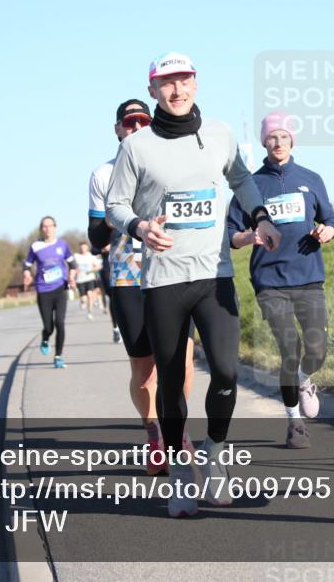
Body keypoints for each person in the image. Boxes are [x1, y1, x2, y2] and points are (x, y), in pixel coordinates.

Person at [106, 52, 281, 517]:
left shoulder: (219, 134)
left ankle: (215, 455)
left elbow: (242, 180)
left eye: (184, 80)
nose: (177, 89)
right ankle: (181, 475)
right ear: (153, 90)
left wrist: (261, 216)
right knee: (170, 385)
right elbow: (115, 206)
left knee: (225, 371)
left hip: (214, 276)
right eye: (167, 83)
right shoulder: (136, 147)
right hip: (163, 281)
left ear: (196, 84)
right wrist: (140, 227)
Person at [88, 98, 197, 475]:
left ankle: (177, 430)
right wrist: (118, 212)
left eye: (142, 122)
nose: (136, 129)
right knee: (145, 370)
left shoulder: (170, 165)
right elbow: (95, 237)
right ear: (118, 130)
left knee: (183, 361)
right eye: (129, 123)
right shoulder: (103, 174)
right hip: (128, 277)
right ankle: (154, 434)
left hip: (173, 272)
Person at [228, 111, 334, 449]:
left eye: (284, 137)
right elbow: (230, 234)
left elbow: (330, 218)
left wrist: (327, 231)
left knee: (317, 349)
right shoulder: (250, 185)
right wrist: (249, 238)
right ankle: (294, 422)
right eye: (272, 137)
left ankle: (304, 379)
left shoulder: (310, 179)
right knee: (290, 349)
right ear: (264, 142)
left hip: (309, 277)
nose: (278, 142)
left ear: (292, 141)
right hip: (270, 281)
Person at [23, 216, 78, 369]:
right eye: (44, 226)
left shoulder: (62, 245)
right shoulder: (35, 246)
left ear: (55, 227)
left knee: (60, 323)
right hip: (43, 290)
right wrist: (27, 275)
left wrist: (72, 277)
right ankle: (45, 338)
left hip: (60, 288)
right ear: (41, 229)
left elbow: (73, 265)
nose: (47, 229)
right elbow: (26, 265)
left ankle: (58, 356)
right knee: (49, 327)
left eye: (50, 226)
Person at [73, 242, 102, 319]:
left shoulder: (91, 256)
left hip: (90, 278)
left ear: (87, 248)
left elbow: (99, 266)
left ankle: (90, 312)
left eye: (84, 247)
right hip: (80, 279)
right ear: (79, 248)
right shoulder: (76, 256)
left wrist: (92, 269)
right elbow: (72, 267)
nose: (83, 249)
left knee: (90, 295)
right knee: (84, 298)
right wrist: (75, 272)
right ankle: (82, 301)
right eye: (81, 247)